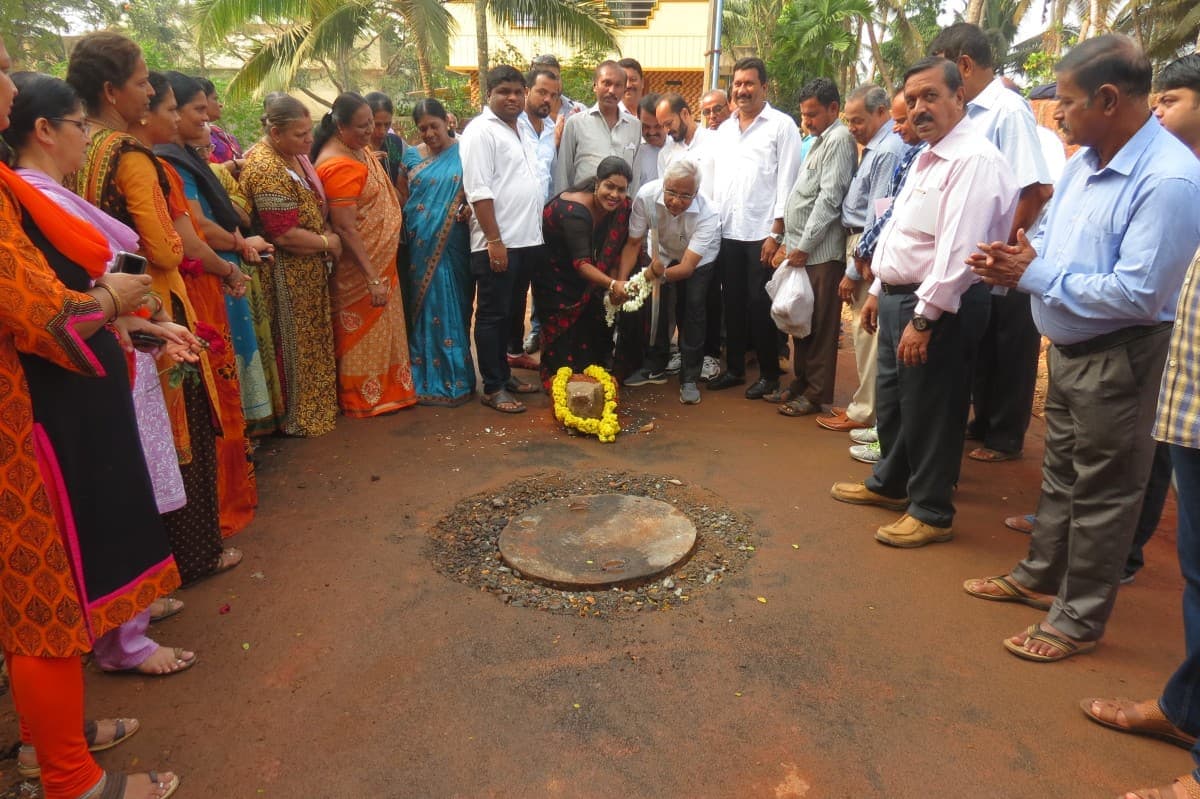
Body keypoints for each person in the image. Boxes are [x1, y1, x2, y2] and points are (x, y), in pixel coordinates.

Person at [963, 35, 1200, 662]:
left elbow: (1140, 294)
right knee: (1063, 474)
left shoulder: (1170, 180)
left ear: (1109, 98)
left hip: (1121, 355)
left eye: (1066, 103)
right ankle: (1040, 576)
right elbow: (1059, 250)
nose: (1058, 115)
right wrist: (1021, 259)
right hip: (1070, 348)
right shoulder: (1083, 163)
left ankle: (1077, 619)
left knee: (1106, 491)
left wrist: (1033, 278)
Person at [0, 40, 182, 799]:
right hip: (22, 425)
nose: (7, 82)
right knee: (40, 602)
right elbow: (46, 318)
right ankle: (71, 777)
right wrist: (118, 301)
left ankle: (55, 743)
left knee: (54, 591)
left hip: (50, 407)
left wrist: (125, 316)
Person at [68, 34, 241, 585]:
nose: (149, 92)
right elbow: (167, 248)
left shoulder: (82, 147)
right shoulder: (129, 154)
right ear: (111, 91)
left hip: (101, 306)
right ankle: (192, 555)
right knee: (180, 431)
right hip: (151, 305)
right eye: (143, 83)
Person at [829, 56, 1019, 548]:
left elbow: (960, 251)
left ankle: (932, 510)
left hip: (939, 307)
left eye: (930, 96)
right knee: (894, 404)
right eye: (911, 99)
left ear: (960, 96)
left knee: (933, 409)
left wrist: (924, 315)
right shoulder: (926, 156)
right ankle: (891, 485)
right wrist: (876, 291)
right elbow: (897, 230)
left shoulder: (972, 160)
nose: (918, 108)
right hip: (899, 298)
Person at [1079, 53, 1200, 799]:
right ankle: (1185, 706)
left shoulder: (1174, 179)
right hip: (1190, 403)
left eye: (1174, 99)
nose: (1158, 112)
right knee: (1197, 576)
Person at [930, 23, 1055, 463]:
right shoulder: (968, 112)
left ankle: (1004, 436)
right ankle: (982, 421)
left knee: (1010, 347)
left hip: (1007, 257)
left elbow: (1034, 189)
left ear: (962, 64)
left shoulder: (1006, 110)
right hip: (980, 258)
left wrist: (1002, 251)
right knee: (982, 344)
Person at [146, 71, 259, 540]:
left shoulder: (170, 160)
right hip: (186, 291)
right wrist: (231, 264)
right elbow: (184, 242)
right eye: (177, 109)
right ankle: (211, 510)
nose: (184, 119)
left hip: (181, 288)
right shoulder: (152, 162)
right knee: (205, 395)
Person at [239, 93, 342, 436]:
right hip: (285, 273)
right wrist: (328, 242)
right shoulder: (266, 167)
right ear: (275, 132)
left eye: (309, 132)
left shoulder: (292, 156)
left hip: (307, 268)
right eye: (301, 135)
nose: (310, 140)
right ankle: (297, 414)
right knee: (294, 343)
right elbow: (283, 234)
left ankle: (315, 404)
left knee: (311, 339)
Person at [312, 92, 416, 417]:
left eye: (372, 122)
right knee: (365, 333)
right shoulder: (337, 163)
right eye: (362, 126)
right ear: (339, 127)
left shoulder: (357, 149)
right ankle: (361, 397)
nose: (370, 131)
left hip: (381, 263)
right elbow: (346, 228)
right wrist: (371, 276)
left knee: (386, 330)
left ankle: (390, 391)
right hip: (361, 269)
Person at [707, 57, 801, 398]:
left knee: (759, 305)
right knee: (731, 303)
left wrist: (776, 233)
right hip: (728, 230)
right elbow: (716, 181)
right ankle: (733, 369)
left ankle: (769, 374)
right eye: (737, 84)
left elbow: (787, 182)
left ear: (764, 86)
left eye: (749, 83)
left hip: (762, 233)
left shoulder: (782, 126)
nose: (742, 90)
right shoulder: (726, 129)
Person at [815, 84, 904, 434]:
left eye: (858, 120)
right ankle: (865, 406)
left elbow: (879, 214)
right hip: (859, 242)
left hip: (865, 249)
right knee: (864, 332)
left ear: (881, 112)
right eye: (849, 121)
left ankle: (866, 410)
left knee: (867, 333)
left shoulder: (886, 151)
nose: (852, 128)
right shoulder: (876, 148)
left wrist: (856, 265)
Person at [847, 90, 928, 464]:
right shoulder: (907, 152)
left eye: (901, 120)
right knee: (883, 357)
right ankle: (885, 433)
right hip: (886, 270)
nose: (899, 128)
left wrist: (861, 258)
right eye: (897, 120)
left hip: (912, 286)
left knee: (897, 367)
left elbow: (880, 216)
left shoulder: (889, 150)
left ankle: (888, 437)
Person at [769, 78, 856, 417]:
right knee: (800, 319)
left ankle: (817, 392)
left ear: (834, 109)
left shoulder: (838, 140)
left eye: (813, 114)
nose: (807, 121)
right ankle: (801, 382)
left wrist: (803, 245)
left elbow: (829, 199)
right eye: (804, 114)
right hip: (803, 251)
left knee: (819, 325)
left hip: (820, 252)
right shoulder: (817, 139)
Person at [459, 64, 543, 413]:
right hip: (498, 242)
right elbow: (479, 191)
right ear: (487, 94)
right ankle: (493, 386)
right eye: (503, 91)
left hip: (526, 240)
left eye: (517, 91)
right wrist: (494, 240)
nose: (511, 97)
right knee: (493, 314)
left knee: (511, 313)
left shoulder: (520, 128)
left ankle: (504, 376)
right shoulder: (480, 131)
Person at [619, 158, 720, 404]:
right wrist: (622, 281)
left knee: (692, 308)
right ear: (663, 184)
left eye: (685, 196)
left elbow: (686, 268)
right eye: (671, 192)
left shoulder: (708, 214)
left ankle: (689, 376)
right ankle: (655, 365)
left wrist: (654, 276)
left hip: (698, 259)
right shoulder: (646, 196)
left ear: (696, 193)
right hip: (662, 251)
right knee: (656, 306)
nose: (676, 201)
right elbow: (633, 243)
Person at [533, 156, 633, 387]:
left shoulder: (621, 207)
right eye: (609, 186)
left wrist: (619, 279)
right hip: (555, 276)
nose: (615, 195)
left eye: (621, 189)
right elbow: (581, 264)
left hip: (588, 275)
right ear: (597, 183)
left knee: (593, 341)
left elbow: (620, 248)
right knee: (563, 358)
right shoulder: (574, 211)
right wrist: (612, 284)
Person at [401, 99, 475, 406]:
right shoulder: (410, 157)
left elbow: (478, 189)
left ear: (447, 120)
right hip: (419, 242)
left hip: (452, 242)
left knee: (453, 305)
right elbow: (402, 198)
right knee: (423, 310)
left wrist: (470, 207)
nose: (430, 133)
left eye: (434, 125)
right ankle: (423, 381)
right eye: (423, 128)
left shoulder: (466, 152)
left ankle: (456, 380)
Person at [509, 65, 560, 367]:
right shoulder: (512, 126)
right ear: (528, 91)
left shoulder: (552, 129)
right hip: (513, 223)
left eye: (553, 95)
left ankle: (528, 342)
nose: (547, 99)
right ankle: (510, 351)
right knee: (511, 292)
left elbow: (549, 177)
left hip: (542, 225)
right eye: (542, 92)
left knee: (539, 286)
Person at [554, 61, 640, 193]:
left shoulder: (634, 126)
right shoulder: (576, 123)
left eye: (618, 85)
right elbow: (563, 174)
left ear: (624, 90)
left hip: (620, 207)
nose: (612, 90)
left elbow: (635, 176)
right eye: (607, 83)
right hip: (583, 207)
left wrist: (630, 210)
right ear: (595, 86)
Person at [364, 91, 406, 193]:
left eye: (387, 124)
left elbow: (404, 196)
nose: (382, 131)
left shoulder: (397, 144)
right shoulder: (355, 149)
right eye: (377, 125)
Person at [196, 76, 242, 164]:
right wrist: (235, 165)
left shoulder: (216, 130)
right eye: (215, 99)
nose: (220, 105)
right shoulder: (196, 139)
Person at [631, 92, 664, 193]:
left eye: (658, 126)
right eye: (646, 126)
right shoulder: (634, 148)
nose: (652, 132)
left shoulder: (681, 149)